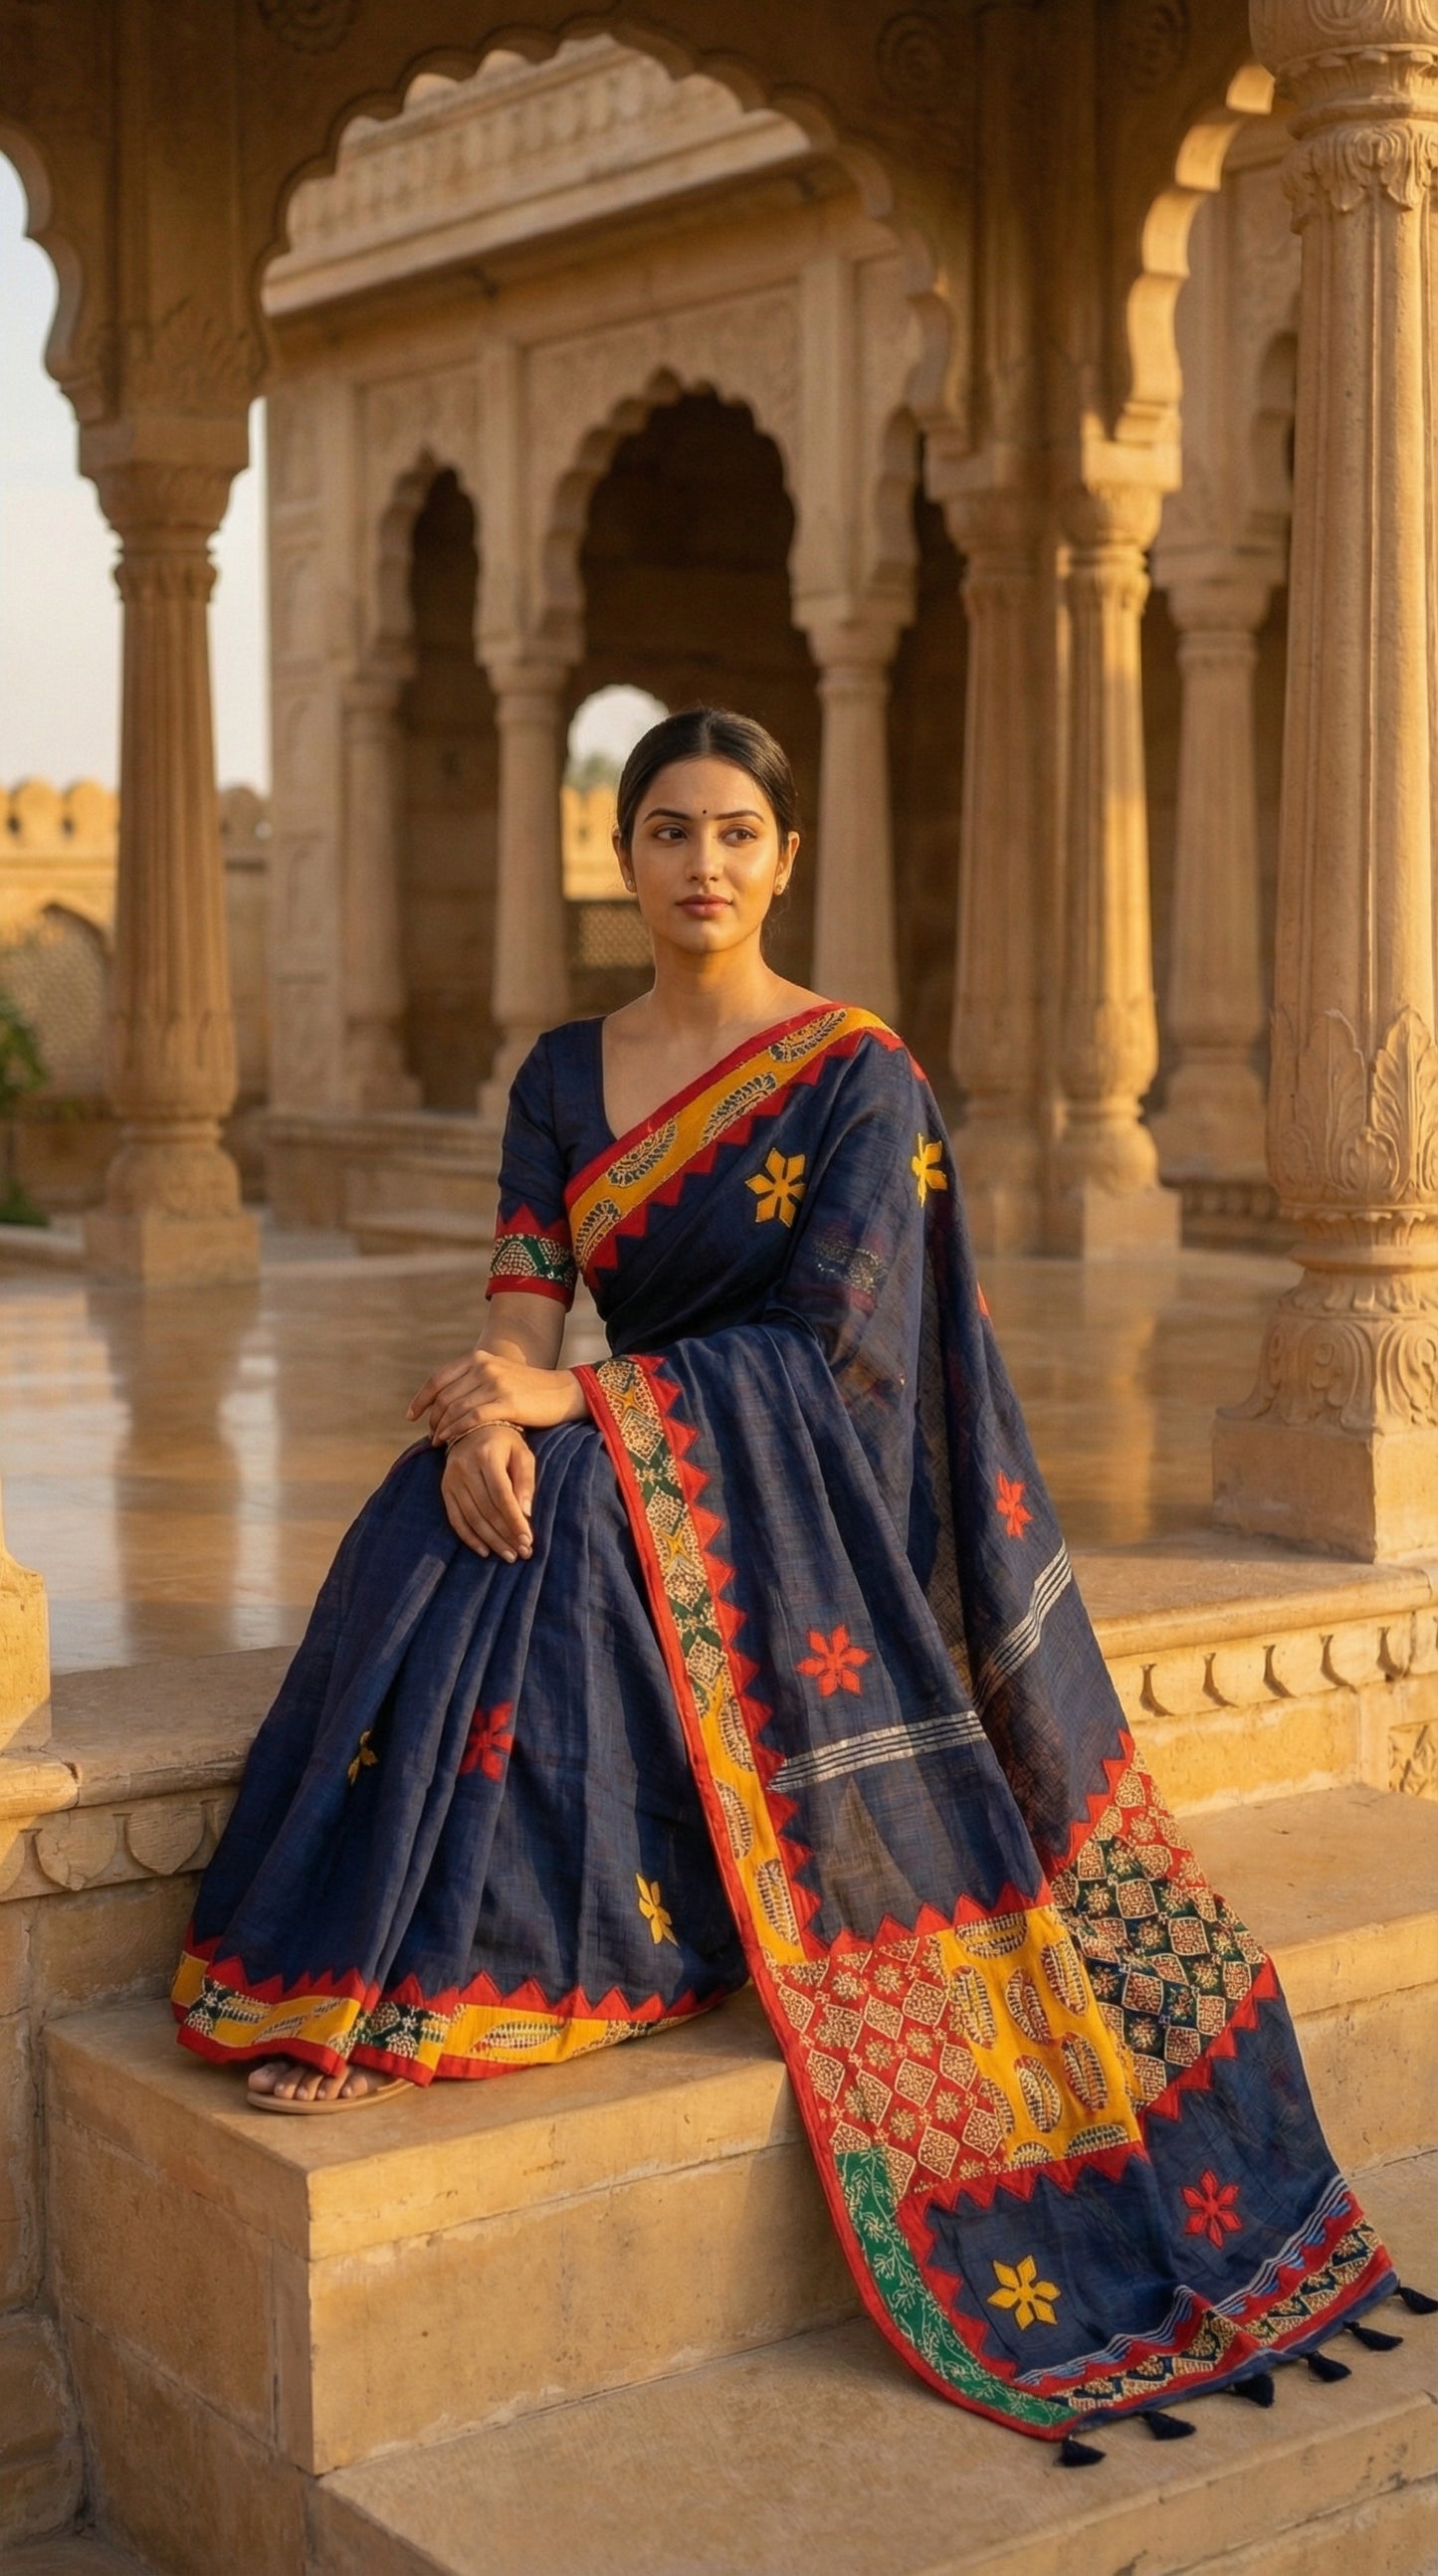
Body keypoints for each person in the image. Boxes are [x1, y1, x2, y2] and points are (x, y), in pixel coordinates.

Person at [173, 706, 1407, 2448]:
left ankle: (516, 1964)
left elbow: (840, 1349)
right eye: (668, 832)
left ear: (784, 858)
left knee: (585, 1516)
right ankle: (392, 1961)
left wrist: (583, 1404)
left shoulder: (851, 1071)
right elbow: (523, 1296)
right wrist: (489, 1415)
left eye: (737, 833)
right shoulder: (558, 1072)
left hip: (817, 1493)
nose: (703, 866)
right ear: (622, 857)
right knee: (441, 1510)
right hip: (646, 1432)